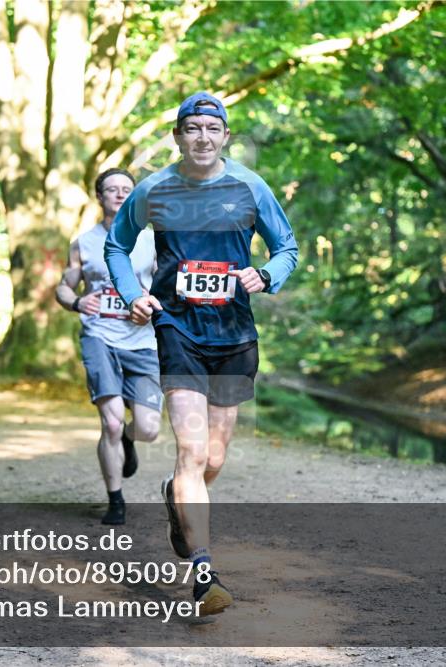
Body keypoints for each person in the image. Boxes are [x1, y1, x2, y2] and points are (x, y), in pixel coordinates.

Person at [104, 92, 298, 615]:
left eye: (212, 129)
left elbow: (287, 247)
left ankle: (177, 494)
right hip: (177, 329)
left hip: (233, 333)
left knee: (213, 458)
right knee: (191, 451)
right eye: (192, 129)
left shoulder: (250, 186)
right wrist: (133, 294)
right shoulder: (154, 189)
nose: (203, 138)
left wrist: (267, 275)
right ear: (178, 136)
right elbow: (117, 246)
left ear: (225, 136)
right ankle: (204, 575)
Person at [56, 169, 162, 525]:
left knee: (148, 428)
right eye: (111, 189)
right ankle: (115, 499)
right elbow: (64, 286)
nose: (119, 194)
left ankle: (130, 442)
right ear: (99, 196)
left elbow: (167, 284)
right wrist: (76, 302)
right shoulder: (84, 243)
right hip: (99, 337)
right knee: (113, 422)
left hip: (143, 341)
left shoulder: (151, 240)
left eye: (126, 189)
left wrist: (152, 301)